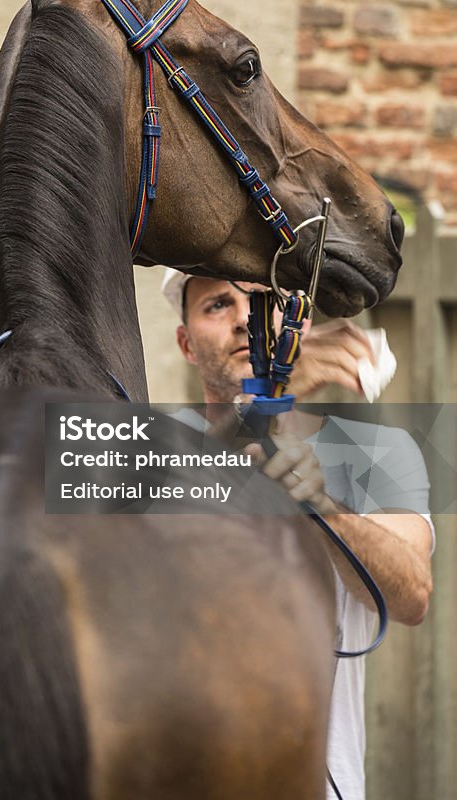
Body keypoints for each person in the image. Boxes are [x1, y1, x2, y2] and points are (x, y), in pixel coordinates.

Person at [161, 269, 434, 800]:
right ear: (185, 343)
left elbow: (412, 596)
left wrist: (323, 508)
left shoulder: (379, 452)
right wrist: (258, 415)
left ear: (298, 323)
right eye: (217, 305)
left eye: (263, 301)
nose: (244, 320)